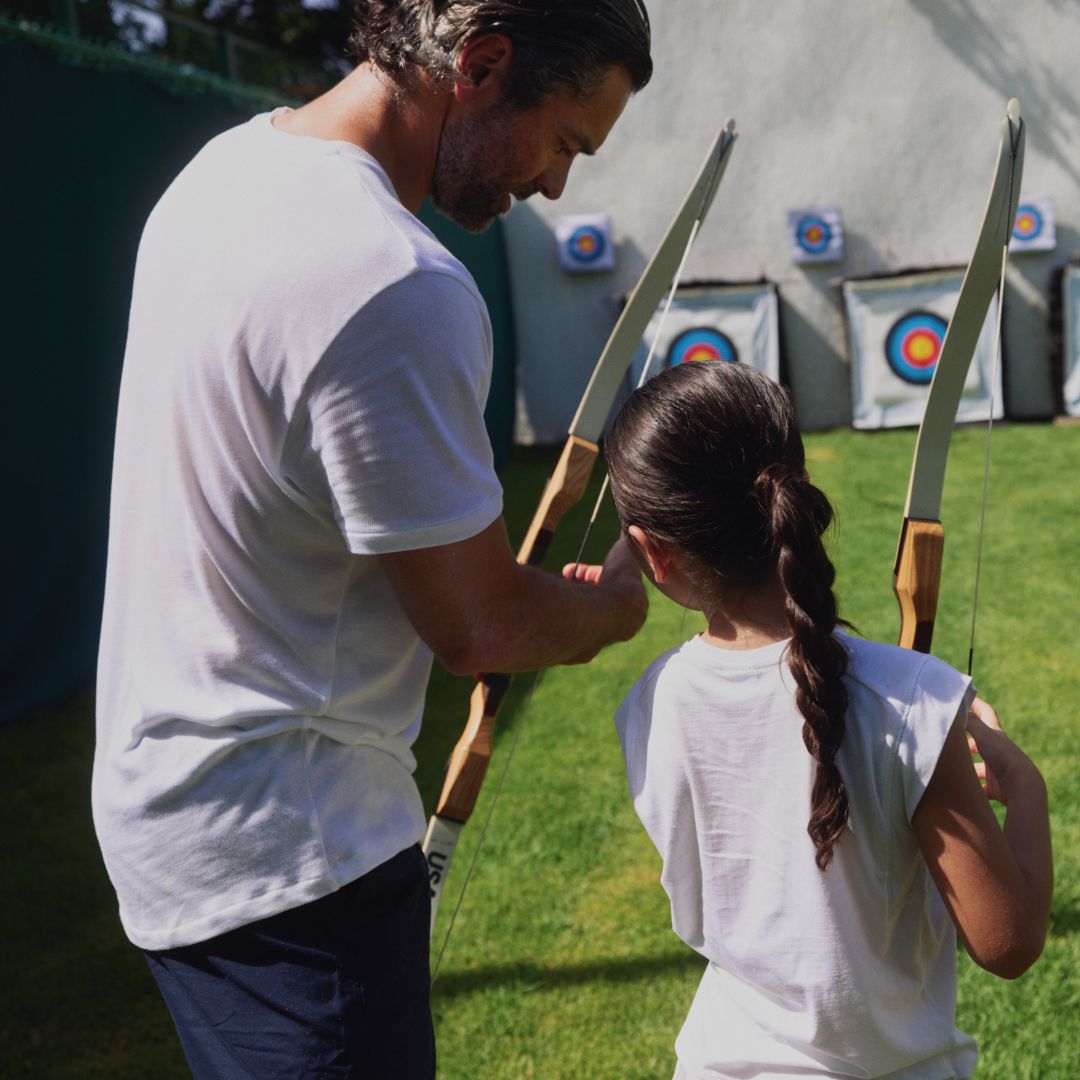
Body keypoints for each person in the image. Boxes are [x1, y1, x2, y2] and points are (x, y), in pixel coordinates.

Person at [93, 2, 652, 1076]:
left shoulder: (220, 172)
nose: (556, 185)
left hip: (176, 819)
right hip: (295, 861)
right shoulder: (392, 280)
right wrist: (615, 604)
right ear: (482, 65)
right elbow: (477, 623)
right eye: (567, 142)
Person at [591, 361, 1052, 1079]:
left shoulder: (651, 703)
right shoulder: (909, 700)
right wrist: (1025, 788)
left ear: (653, 553)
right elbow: (1009, 941)